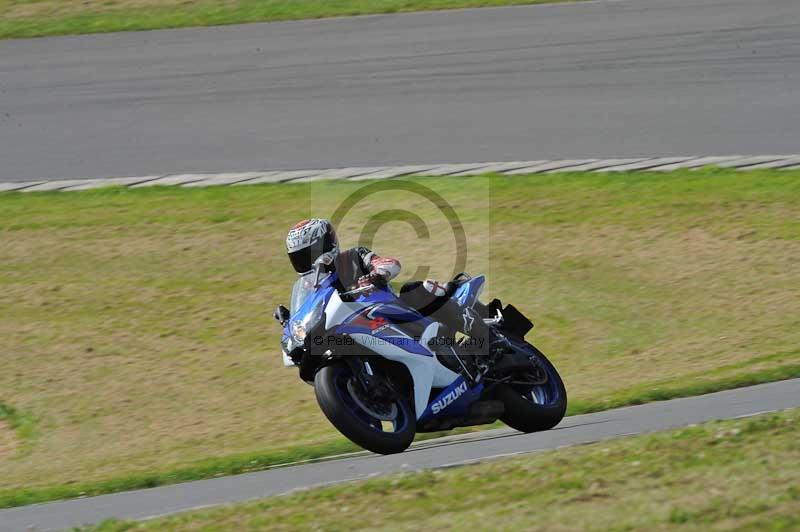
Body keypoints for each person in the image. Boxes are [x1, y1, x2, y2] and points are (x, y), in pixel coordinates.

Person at [285, 218, 498, 356]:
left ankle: (486, 338)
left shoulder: (351, 257)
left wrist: (377, 274)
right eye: (299, 258)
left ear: (327, 243)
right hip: (356, 331)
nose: (307, 262)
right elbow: (309, 313)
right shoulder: (310, 286)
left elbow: (389, 263)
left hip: (392, 314)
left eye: (309, 254)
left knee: (414, 290)